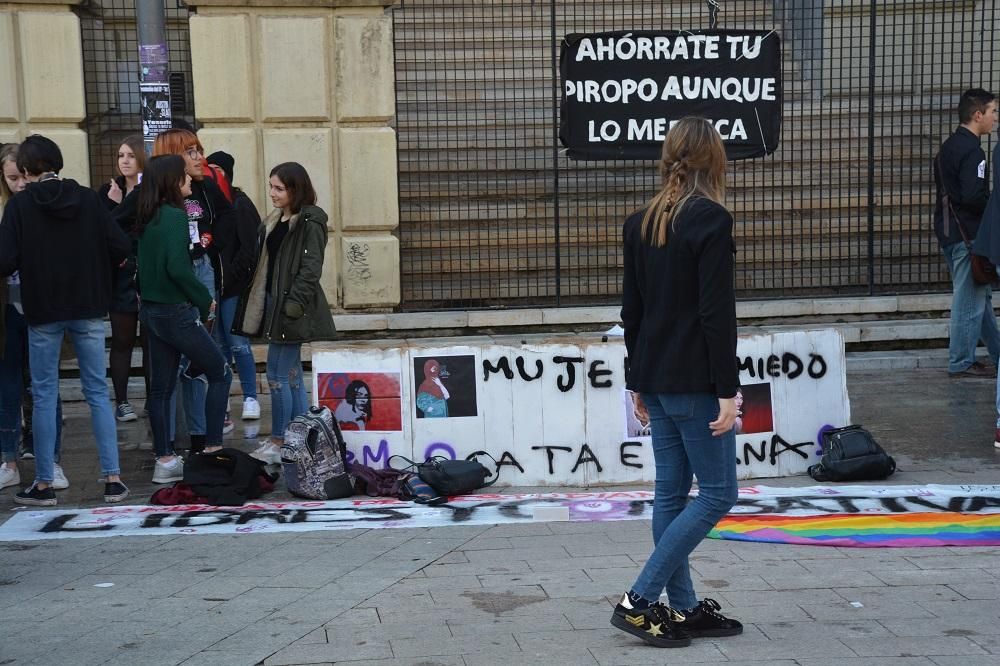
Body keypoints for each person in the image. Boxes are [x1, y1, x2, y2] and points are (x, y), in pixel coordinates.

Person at [614, 117, 742, 648]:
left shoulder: (639, 221)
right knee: (717, 492)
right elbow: (717, 314)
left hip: (659, 375)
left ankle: (685, 608)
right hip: (694, 380)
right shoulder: (711, 219)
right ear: (714, 160)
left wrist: (637, 380)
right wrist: (729, 390)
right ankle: (640, 601)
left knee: (670, 493)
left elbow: (632, 311)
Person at [0, 135, 132, 505]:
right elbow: (120, 246)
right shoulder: (89, 199)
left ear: (25, 171)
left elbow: (5, 261)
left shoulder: (20, 206)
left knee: (44, 394)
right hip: (89, 308)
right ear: (58, 163)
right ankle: (113, 479)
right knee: (97, 393)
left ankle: (43, 484)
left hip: (42, 312)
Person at [136, 155, 232, 484]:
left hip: (151, 312)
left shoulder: (147, 216)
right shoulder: (176, 217)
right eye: (184, 178)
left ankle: (165, 460)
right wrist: (206, 300)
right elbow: (178, 268)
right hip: (176, 312)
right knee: (220, 373)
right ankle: (212, 450)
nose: (190, 181)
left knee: (161, 389)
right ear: (172, 182)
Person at [233, 162, 336, 464]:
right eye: (271, 187)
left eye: (279, 188)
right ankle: (301, 438)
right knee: (290, 376)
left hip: (292, 308)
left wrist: (295, 304)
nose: (273, 193)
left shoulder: (310, 222)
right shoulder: (275, 220)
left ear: (295, 189)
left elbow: (311, 268)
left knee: (277, 375)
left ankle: (280, 439)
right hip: (274, 305)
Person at [151, 129, 236, 451]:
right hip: (171, 283)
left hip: (201, 272)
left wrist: (210, 247)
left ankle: (201, 437)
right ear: (173, 157)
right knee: (171, 366)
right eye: (191, 151)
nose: (200, 157)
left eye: (199, 150)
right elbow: (122, 228)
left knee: (202, 358)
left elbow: (228, 217)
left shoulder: (205, 186)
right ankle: (170, 443)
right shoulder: (154, 197)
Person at [934, 88, 1000, 378]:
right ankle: (961, 361)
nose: (995, 118)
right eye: (993, 112)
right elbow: (973, 196)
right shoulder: (974, 151)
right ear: (978, 115)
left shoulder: (948, 147)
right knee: (968, 302)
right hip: (969, 236)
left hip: (950, 232)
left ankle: (998, 354)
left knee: (979, 300)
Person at [206, 150, 262, 421]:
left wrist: (233, 277)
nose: (213, 175)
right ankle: (223, 397)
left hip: (234, 288)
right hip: (212, 287)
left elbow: (250, 248)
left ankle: (251, 397)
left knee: (238, 344)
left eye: (218, 169)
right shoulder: (206, 203)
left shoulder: (240, 204)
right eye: (209, 168)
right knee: (218, 347)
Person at [98, 135, 146, 421]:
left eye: (130, 155)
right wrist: (114, 204)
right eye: (120, 155)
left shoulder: (150, 191)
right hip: (120, 275)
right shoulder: (109, 190)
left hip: (147, 272)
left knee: (153, 343)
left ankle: (154, 400)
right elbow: (105, 232)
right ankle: (123, 401)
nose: (124, 161)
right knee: (122, 340)